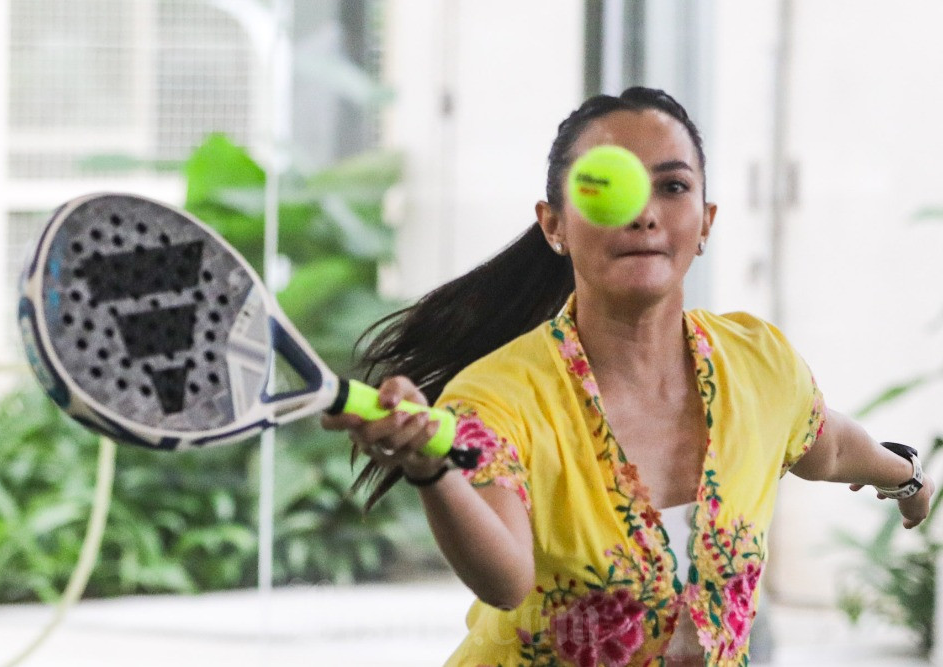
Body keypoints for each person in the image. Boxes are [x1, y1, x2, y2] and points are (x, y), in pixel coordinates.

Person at [321, 87, 934, 667]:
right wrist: (431, 471)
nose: (643, 213)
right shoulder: (497, 397)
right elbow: (506, 580)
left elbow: (830, 446)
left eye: (672, 186)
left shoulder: (760, 364)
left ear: (706, 221)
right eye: (607, 187)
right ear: (555, 225)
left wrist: (907, 478)